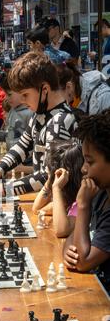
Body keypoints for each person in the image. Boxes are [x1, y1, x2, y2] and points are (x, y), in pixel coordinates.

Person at [0, 52, 77, 197]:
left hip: (59, 205)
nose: (23, 101)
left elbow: (49, 174)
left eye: (25, 95)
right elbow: (22, 146)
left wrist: (7, 188)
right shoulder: (40, 115)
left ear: (44, 89)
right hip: (44, 200)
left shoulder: (60, 121)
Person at [63, 112, 110, 293]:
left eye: (90, 162)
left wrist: (82, 206)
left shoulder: (91, 198)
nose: (83, 168)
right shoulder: (99, 195)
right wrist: (67, 251)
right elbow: (72, 237)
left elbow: (83, 261)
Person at [32, 140, 83, 238]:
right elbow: (37, 209)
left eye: (50, 171)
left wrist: (56, 188)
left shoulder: (81, 200)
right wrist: (49, 180)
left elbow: (61, 230)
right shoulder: (68, 200)